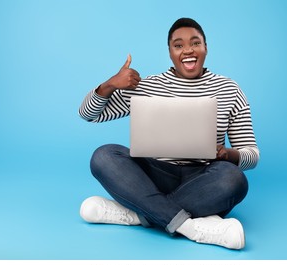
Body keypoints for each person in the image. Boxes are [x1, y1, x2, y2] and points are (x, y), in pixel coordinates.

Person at [78, 18, 259, 250]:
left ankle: (140, 214)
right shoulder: (147, 86)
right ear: (170, 52)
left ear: (206, 48)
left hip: (203, 181)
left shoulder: (229, 89)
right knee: (103, 155)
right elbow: (88, 114)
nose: (188, 50)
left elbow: (252, 155)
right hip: (154, 176)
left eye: (195, 43)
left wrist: (228, 155)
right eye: (179, 45)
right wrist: (110, 84)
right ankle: (191, 227)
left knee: (234, 179)